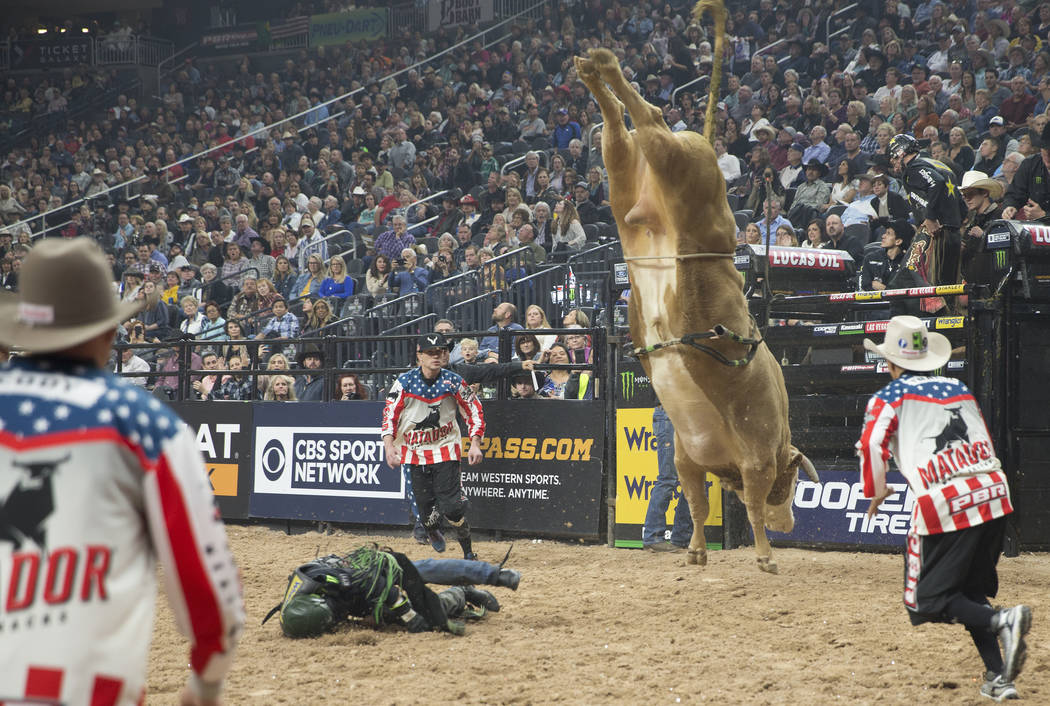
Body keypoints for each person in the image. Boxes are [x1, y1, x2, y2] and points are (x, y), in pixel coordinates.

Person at [0, 238, 243, 705]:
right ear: (109, 332)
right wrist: (207, 681)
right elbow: (206, 585)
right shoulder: (146, 427)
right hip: (81, 690)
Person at [857, 315, 1030, 702]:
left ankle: (1003, 620)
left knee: (925, 600)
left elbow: (871, 446)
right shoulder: (959, 388)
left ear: (890, 363)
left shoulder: (890, 396)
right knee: (967, 592)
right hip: (993, 495)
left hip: (945, 502)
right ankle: (999, 677)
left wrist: (876, 490)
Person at [268, 544, 520, 639]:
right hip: (359, 595)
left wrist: (408, 616)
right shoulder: (295, 617)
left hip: (375, 570)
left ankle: (494, 576)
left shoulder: (331, 580)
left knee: (428, 571)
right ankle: (460, 595)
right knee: (427, 616)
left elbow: (376, 585)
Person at [382, 332, 484, 559]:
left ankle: (468, 551)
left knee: (453, 509)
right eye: (430, 352)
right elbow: (389, 417)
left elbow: (474, 410)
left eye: (441, 351)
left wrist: (475, 443)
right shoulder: (405, 382)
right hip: (414, 453)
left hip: (446, 449)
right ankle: (431, 529)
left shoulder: (453, 381)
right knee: (426, 514)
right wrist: (389, 447)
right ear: (419, 356)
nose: (436, 356)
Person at [888, 133, 968, 304]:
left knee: (904, 282)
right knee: (946, 290)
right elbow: (962, 204)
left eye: (893, 159)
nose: (894, 164)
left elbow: (936, 182)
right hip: (952, 234)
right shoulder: (940, 165)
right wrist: (957, 227)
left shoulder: (914, 167)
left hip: (934, 234)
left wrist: (930, 216)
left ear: (901, 153)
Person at [643, 401, 693, 552]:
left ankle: (681, 538)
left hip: (686, 417)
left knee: (692, 481)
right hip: (670, 413)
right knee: (668, 479)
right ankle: (653, 537)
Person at [1001, 122, 1050, 223]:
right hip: (1034, 229)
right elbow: (1015, 193)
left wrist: (1044, 216)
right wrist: (1010, 206)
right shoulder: (1030, 164)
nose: (1048, 154)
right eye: (1045, 149)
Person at [861, 221, 913, 291]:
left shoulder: (908, 262)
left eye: (888, 233)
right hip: (873, 301)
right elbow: (865, 285)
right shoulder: (871, 258)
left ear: (898, 241)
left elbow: (905, 291)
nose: (883, 236)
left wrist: (884, 289)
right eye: (885, 232)